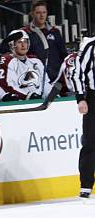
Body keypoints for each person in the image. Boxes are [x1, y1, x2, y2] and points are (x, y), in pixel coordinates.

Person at [0, 29, 51, 100]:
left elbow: (45, 84)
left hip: (39, 101)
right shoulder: (7, 60)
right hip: (20, 103)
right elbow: (8, 86)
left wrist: (50, 94)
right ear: (11, 44)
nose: (23, 45)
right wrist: (27, 96)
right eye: (19, 42)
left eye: (25, 41)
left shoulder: (36, 61)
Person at [72, 36, 95, 200]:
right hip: (93, 99)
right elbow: (78, 73)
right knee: (90, 143)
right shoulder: (91, 46)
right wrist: (81, 98)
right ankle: (86, 185)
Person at [23, 0, 67, 83]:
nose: (42, 15)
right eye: (38, 13)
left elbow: (63, 54)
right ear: (32, 14)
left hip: (56, 78)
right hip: (36, 78)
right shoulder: (25, 33)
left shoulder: (55, 32)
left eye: (44, 12)